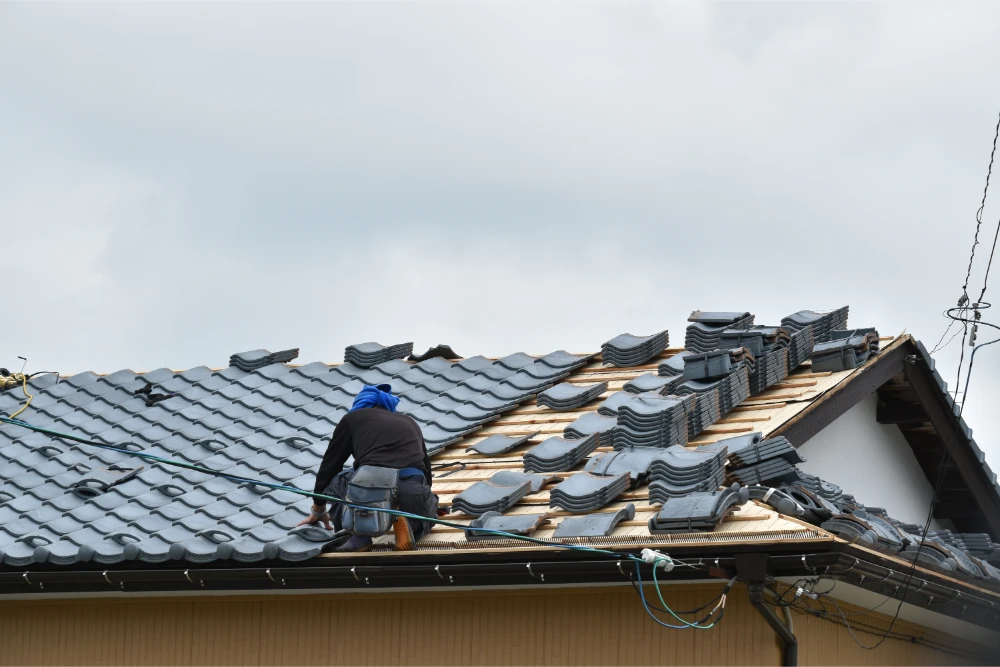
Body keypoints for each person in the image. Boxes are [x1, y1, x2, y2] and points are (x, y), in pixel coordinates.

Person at [297, 383, 438, 552]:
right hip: (412, 488)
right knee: (427, 512)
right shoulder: (409, 421)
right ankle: (409, 526)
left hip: (369, 491)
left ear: (361, 404)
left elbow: (330, 465)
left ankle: (358, 536)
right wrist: (428, 501)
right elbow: (427, 474)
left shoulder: (353, 418)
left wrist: (319, 508)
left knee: (340, 480)